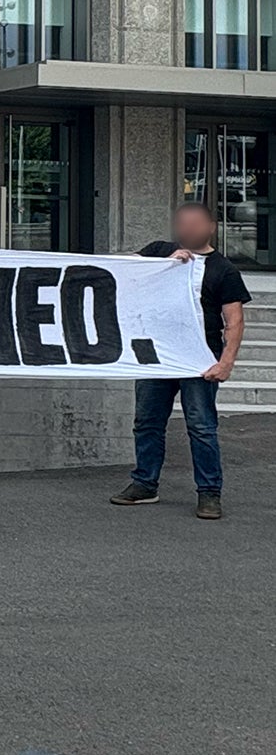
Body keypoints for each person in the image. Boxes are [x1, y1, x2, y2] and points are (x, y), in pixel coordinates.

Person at [111, 201, 250, 520]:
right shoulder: (161, 250)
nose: (188, 229)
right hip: (156, 356)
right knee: (146, 421)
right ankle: (144, 484)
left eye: (195, 223)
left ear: (210, 227)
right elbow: (116, 267)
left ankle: (209, 492)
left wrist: (226, 362)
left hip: (198, 360)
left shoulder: (223, 270)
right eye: (182, 223)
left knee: (201, 427)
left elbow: (235, 320)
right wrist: (161, 265)